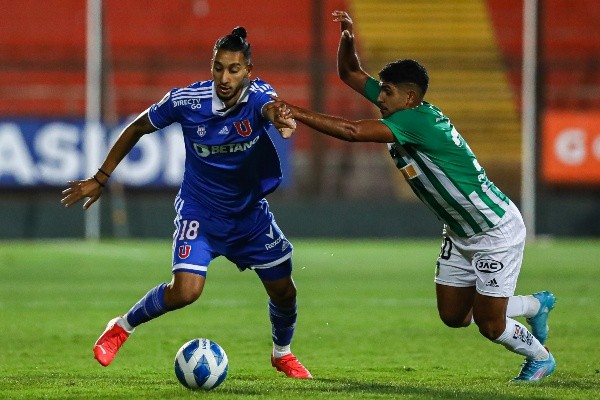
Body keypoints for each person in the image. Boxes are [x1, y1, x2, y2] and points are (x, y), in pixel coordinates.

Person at [271, 10, 556, 382]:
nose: (379, 97)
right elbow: (350, 73)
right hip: (459, 231)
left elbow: (352, 131)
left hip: (493, 230)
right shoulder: (402, 107)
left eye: (386, 92)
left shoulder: (416, 121)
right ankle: (534, 305)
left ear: (409, 96)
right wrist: (347, 38)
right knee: (454, 316)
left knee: (490, 324)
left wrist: (293, 110)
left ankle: (540, 358)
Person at [61, 26, 312, 379]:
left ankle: (282, 353)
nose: (224, 78)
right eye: (218, 68)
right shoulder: (185, 101)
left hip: (249, 216)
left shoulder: (258, 97)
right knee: (185, 292)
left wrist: (281, 121)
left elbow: (272, 109)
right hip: (200, 212)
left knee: (284, 292)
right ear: (211, 66)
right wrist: (100, 178)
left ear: (248, 71)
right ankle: (120, 327)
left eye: (234, 70)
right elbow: (137, 127)